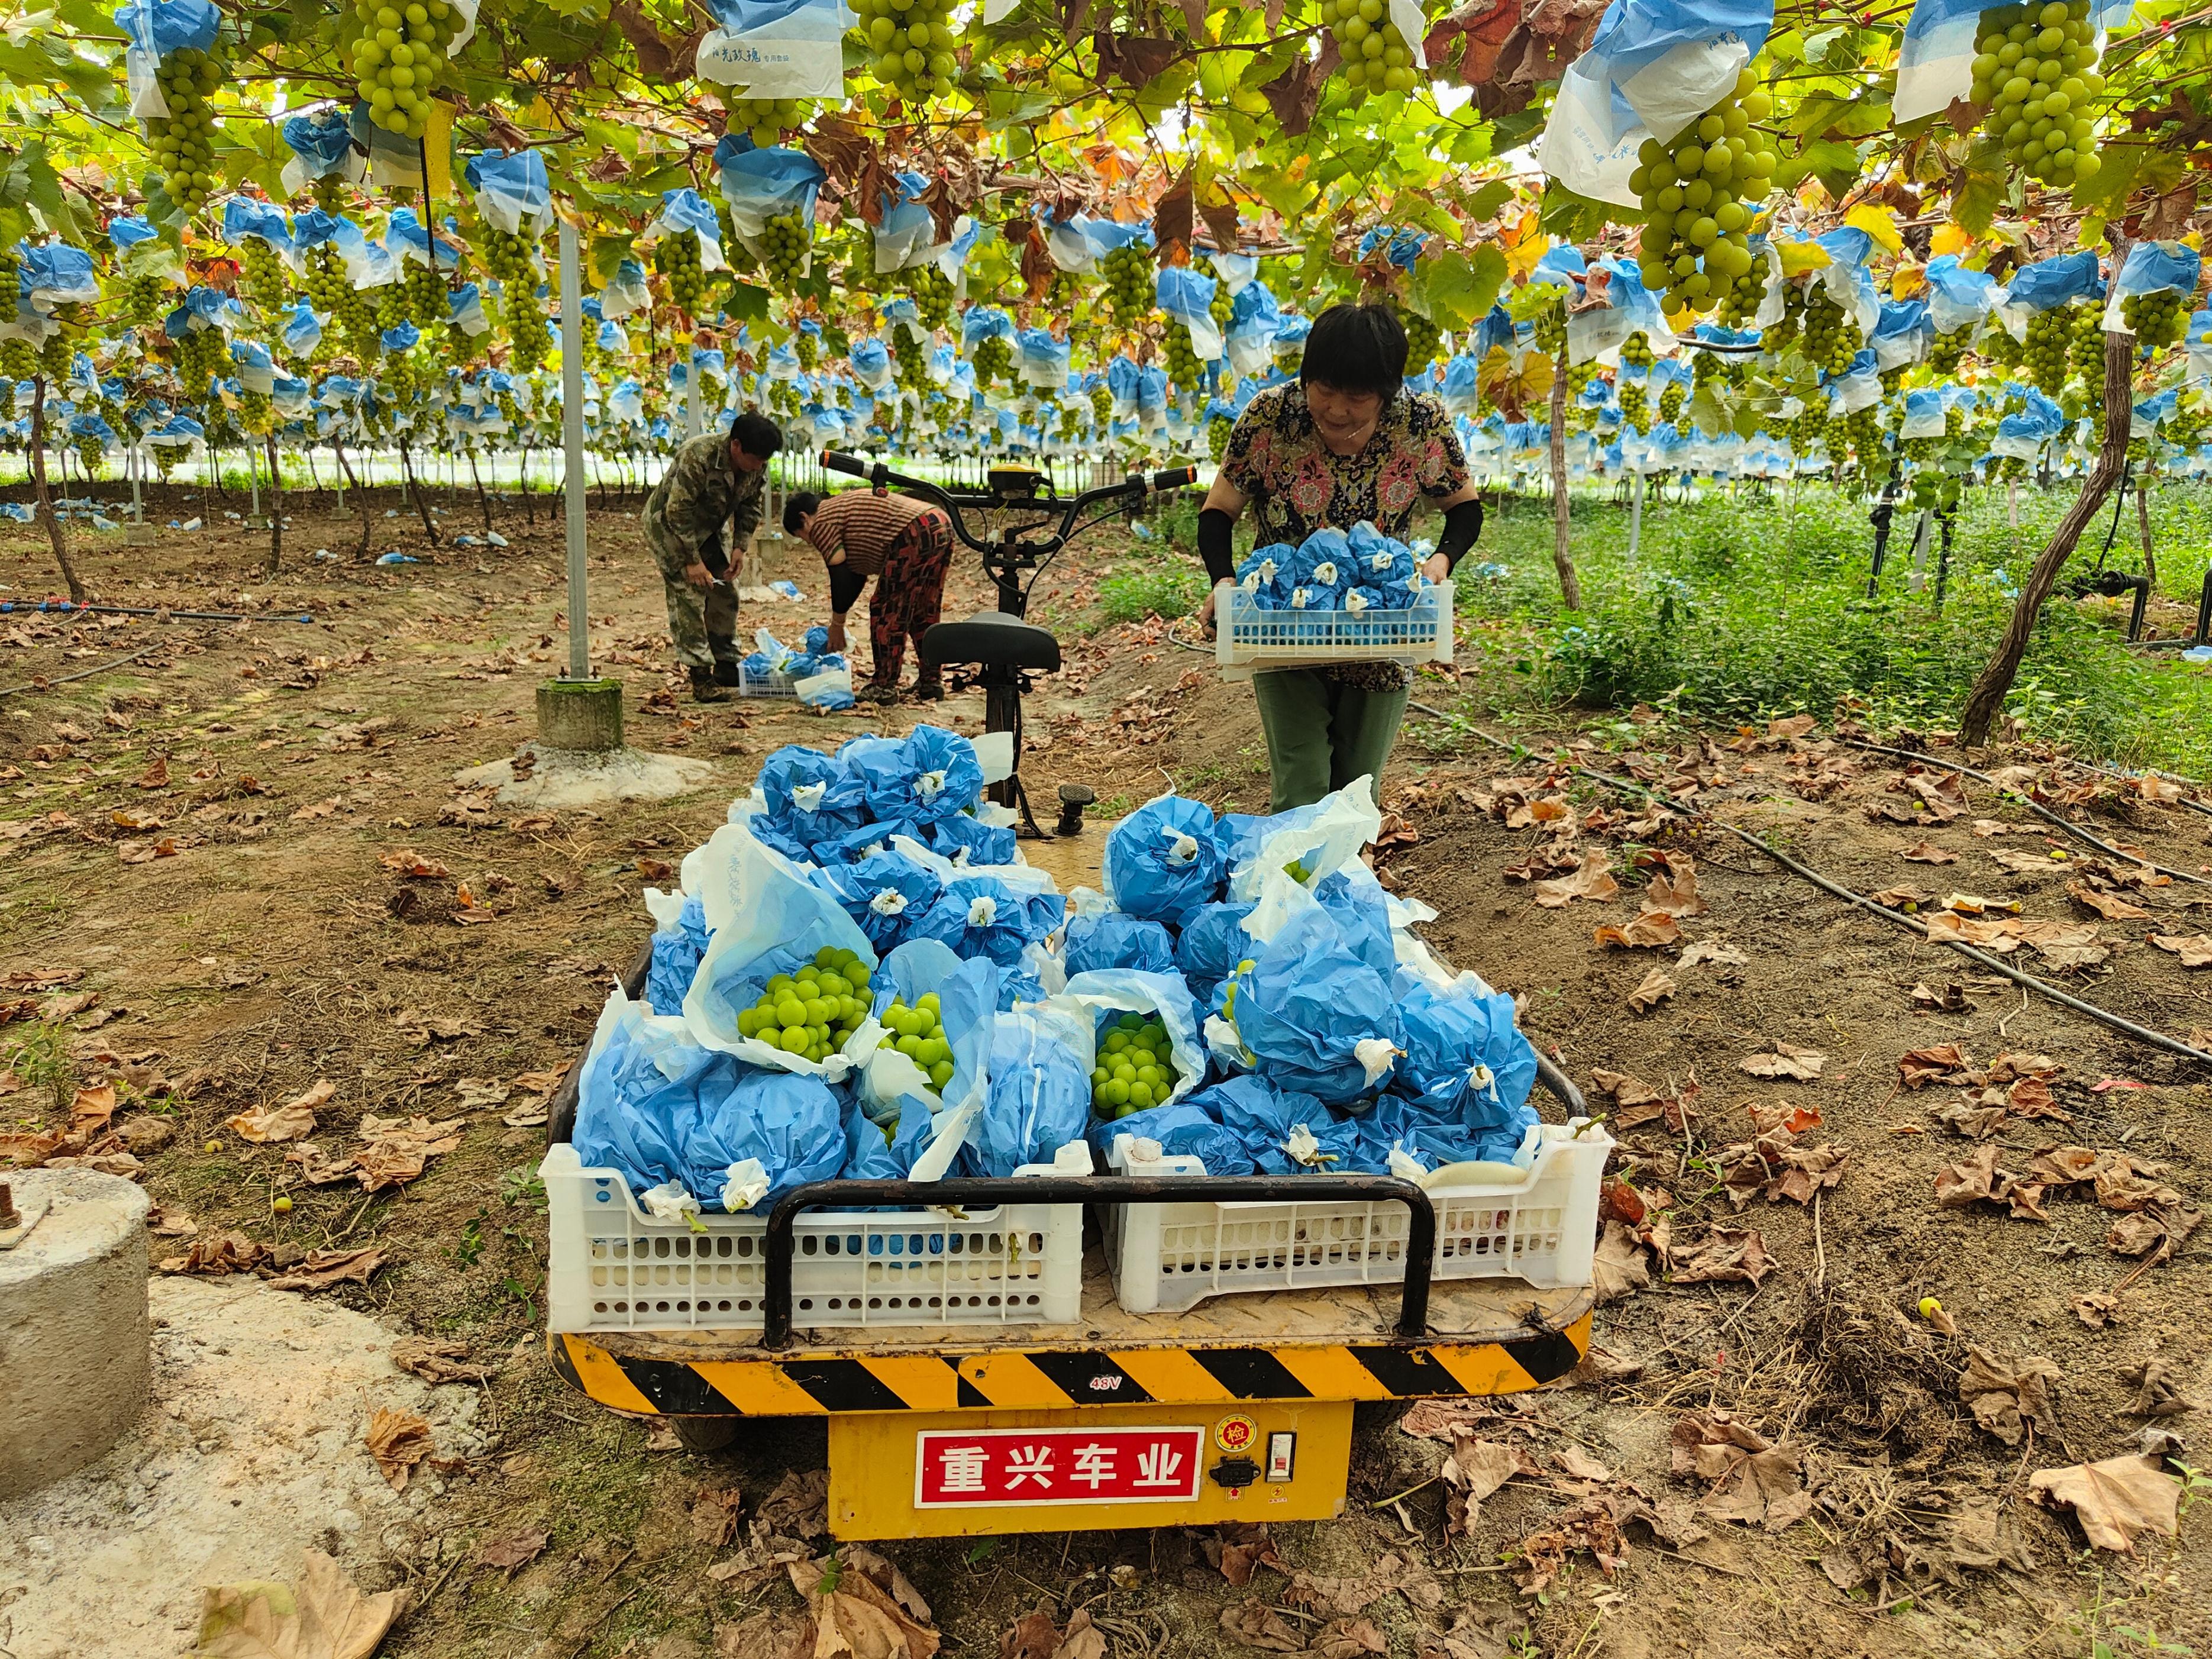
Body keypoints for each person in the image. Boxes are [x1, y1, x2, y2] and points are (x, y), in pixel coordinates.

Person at [1197, 303, 1486, 812]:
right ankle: (1294, 888)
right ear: (1306, 376)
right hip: (1282, 626)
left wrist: (1439, 563)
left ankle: (1344, 887)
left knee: (1357, 790)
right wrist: (1223, 582)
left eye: (1356, 398)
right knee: (1302, 779)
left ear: (1387, 391)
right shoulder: (1271, 416)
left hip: (1383, 622)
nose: (1335, 410)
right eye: (1323, 391)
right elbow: (1219, 510)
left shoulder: (1420, 423)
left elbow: (1463, 508)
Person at [642, 411, 784, 702]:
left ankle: (725, 663)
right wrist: (693, 562)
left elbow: (751, 505)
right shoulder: (698, 455)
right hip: (670, 527)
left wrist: (739, 547)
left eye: (764, 461)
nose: (760, 466)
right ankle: (700, 676)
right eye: (756, 459)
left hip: (710, 527)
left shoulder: (757, 464)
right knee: (691, 593)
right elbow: (677, 512)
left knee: (726, 589)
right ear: (736, 446)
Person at [782, 486, 954, 703]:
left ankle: (884, 686)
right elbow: (855, 577)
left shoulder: (822, 521)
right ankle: (931, 681)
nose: (811, 543)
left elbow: (840, 576)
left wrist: (837, 625)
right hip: (938, 522)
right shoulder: (842, 511)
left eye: (804, 537)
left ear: (804, 518)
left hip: (913, 531)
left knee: (886, 609)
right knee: (923, 607)